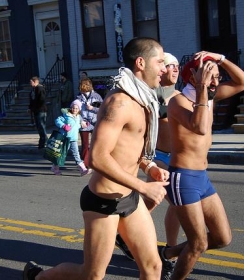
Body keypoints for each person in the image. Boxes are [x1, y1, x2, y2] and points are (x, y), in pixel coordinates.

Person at [23, 37, 170, 280]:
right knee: (91, 275)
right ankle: (38, 277)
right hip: (104, 202)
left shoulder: (144, 100)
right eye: (161, 62)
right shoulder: (119, 102)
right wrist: (144, 186)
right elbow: (98, 158)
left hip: (129, 197)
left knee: (153, 267)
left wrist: (149, 166)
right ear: (141, 63)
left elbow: (127, 149)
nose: (164, 68)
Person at [159, 51, 244, 280]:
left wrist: (221, 59)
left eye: (217, 76)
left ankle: (167, 253)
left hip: (201, 177)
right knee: (198, 244)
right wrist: (202, 90)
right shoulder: (178, 101)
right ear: (194, 77)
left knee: (222, 238)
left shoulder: (210, 97)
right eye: (210, 75)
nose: (215, 81)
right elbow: (199, 127)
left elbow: (242, 82)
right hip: (182, 178)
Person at [115, 52, 182, 262]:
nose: (174, 69)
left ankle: (126, 234)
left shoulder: (180, 94)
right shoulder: (153, 95)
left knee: (156, 203)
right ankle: (168, 253)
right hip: (159, 156)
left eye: (177, 66)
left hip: (179, 158)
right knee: (176, 204)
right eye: (169, 65)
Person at [50, 99, 92, 177]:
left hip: (73, 139)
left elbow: (77, 126)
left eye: (76, 108)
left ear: (79, 109)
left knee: (76, 154)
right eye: (73, 108)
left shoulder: (79, 117)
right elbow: (57, 120)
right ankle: (55, 167)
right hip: (65, 139)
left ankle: (83, 169)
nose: (74, 110)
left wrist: (85, 124)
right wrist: (63, 126)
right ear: (70, 108)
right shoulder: (66, 115)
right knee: (61, 154)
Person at [76, 78, 103, 170]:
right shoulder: (78, 98)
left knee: (96, 143)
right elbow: (75, 111)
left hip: (95, 122)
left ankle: (96, 161)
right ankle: (86, 163)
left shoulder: (97, 97)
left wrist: (92, 108)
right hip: (84, 124)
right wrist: (81, 121)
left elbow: (103, 109)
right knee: (85, 144)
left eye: (82, 85)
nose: (81, 87)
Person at [28, 76, 48, 149]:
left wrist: (36, 108)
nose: (30, 83)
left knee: (41, 126)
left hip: (41, 111)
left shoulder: (40, 88)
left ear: (35, 81)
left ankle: (44, 142)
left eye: (31, 82)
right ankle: (43, 141)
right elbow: (32, 100)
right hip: (36, 110)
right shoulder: (33, 90)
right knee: (39, 127)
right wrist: (30, 108)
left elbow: (41, 100)